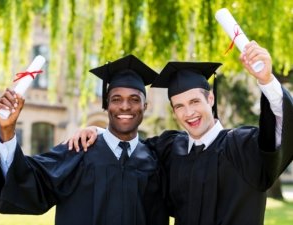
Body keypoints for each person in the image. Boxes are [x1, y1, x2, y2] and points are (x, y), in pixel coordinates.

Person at [67, 41, 293, 225]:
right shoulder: (170, 149)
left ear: (210, 99)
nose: (189, 113)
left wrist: (266, 81)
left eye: (194, 101)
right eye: (179, 106)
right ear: (174, 111)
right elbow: (132, 144)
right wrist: (98, 130)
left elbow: (282, 128)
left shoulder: (243, 146)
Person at [0, 55, 169, 225]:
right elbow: (30, 182)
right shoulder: (76, 151)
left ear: (145, 106)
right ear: (106, 105)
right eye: (116, 99)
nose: (125, 106)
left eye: (134, 99)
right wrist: (7, 131)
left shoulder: (155, 160)